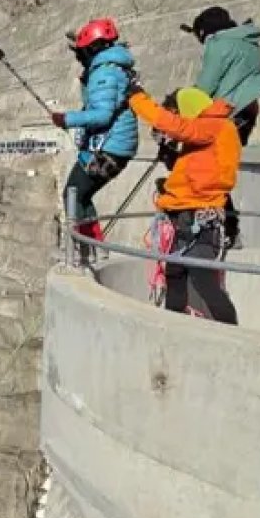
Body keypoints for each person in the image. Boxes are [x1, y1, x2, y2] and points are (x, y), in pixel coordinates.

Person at [127, 85, 239, 324]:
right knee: (175, 274)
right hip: (185, 216)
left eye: (177, 113)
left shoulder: (214, 125)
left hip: (199, 218)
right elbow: (195, 169)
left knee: (204, 281)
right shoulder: (208, 131)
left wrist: (138, 99)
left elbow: (178, 127)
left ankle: (233, 333)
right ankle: (173, 326)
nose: (176, 118)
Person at [50, 18, 139, 264]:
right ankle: (96, 248)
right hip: (114, 145)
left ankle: (80, 251)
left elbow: (102, 114)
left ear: (92, 49)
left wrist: (67, 119)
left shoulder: (105, 72)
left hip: (109, 147)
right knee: (82, 194)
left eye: (82, 52)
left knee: (73, 193)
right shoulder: (114, 67)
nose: (79, 57)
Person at [181, 6, 260, 146]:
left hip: (225, 110)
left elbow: (206, 86)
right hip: (249, 108)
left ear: (203, 31)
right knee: (234, 151)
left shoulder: (218, 44)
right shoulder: (252, 44)